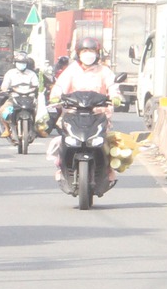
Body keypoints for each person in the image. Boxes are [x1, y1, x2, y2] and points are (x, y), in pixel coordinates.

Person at [47, 37, 118, 182]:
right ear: (78, 53)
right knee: (65, 140)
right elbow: (60, 86)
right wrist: (55, 96)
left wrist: (115, 96)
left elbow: (113, 86)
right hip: (74, 114)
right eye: (85, 50)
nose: (88, 54)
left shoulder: (104, 71)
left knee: (107, 143)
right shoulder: (71, 70)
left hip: (98, 114)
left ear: (97, 53)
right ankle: (62, 166)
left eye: (92, 50)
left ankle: (107, 169)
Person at [0, 53, 45, 139]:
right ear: (15, 63)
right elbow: (4, 86)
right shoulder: (10, 73)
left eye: (23, 63)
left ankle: (39, 128)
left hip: (30, 97)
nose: (21, 64)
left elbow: (36, 85)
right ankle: (7, 129)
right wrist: (5, 89)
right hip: (14, 97)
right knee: (2, 110)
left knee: (41, 110)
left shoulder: (32, 74)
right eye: (19, 62)